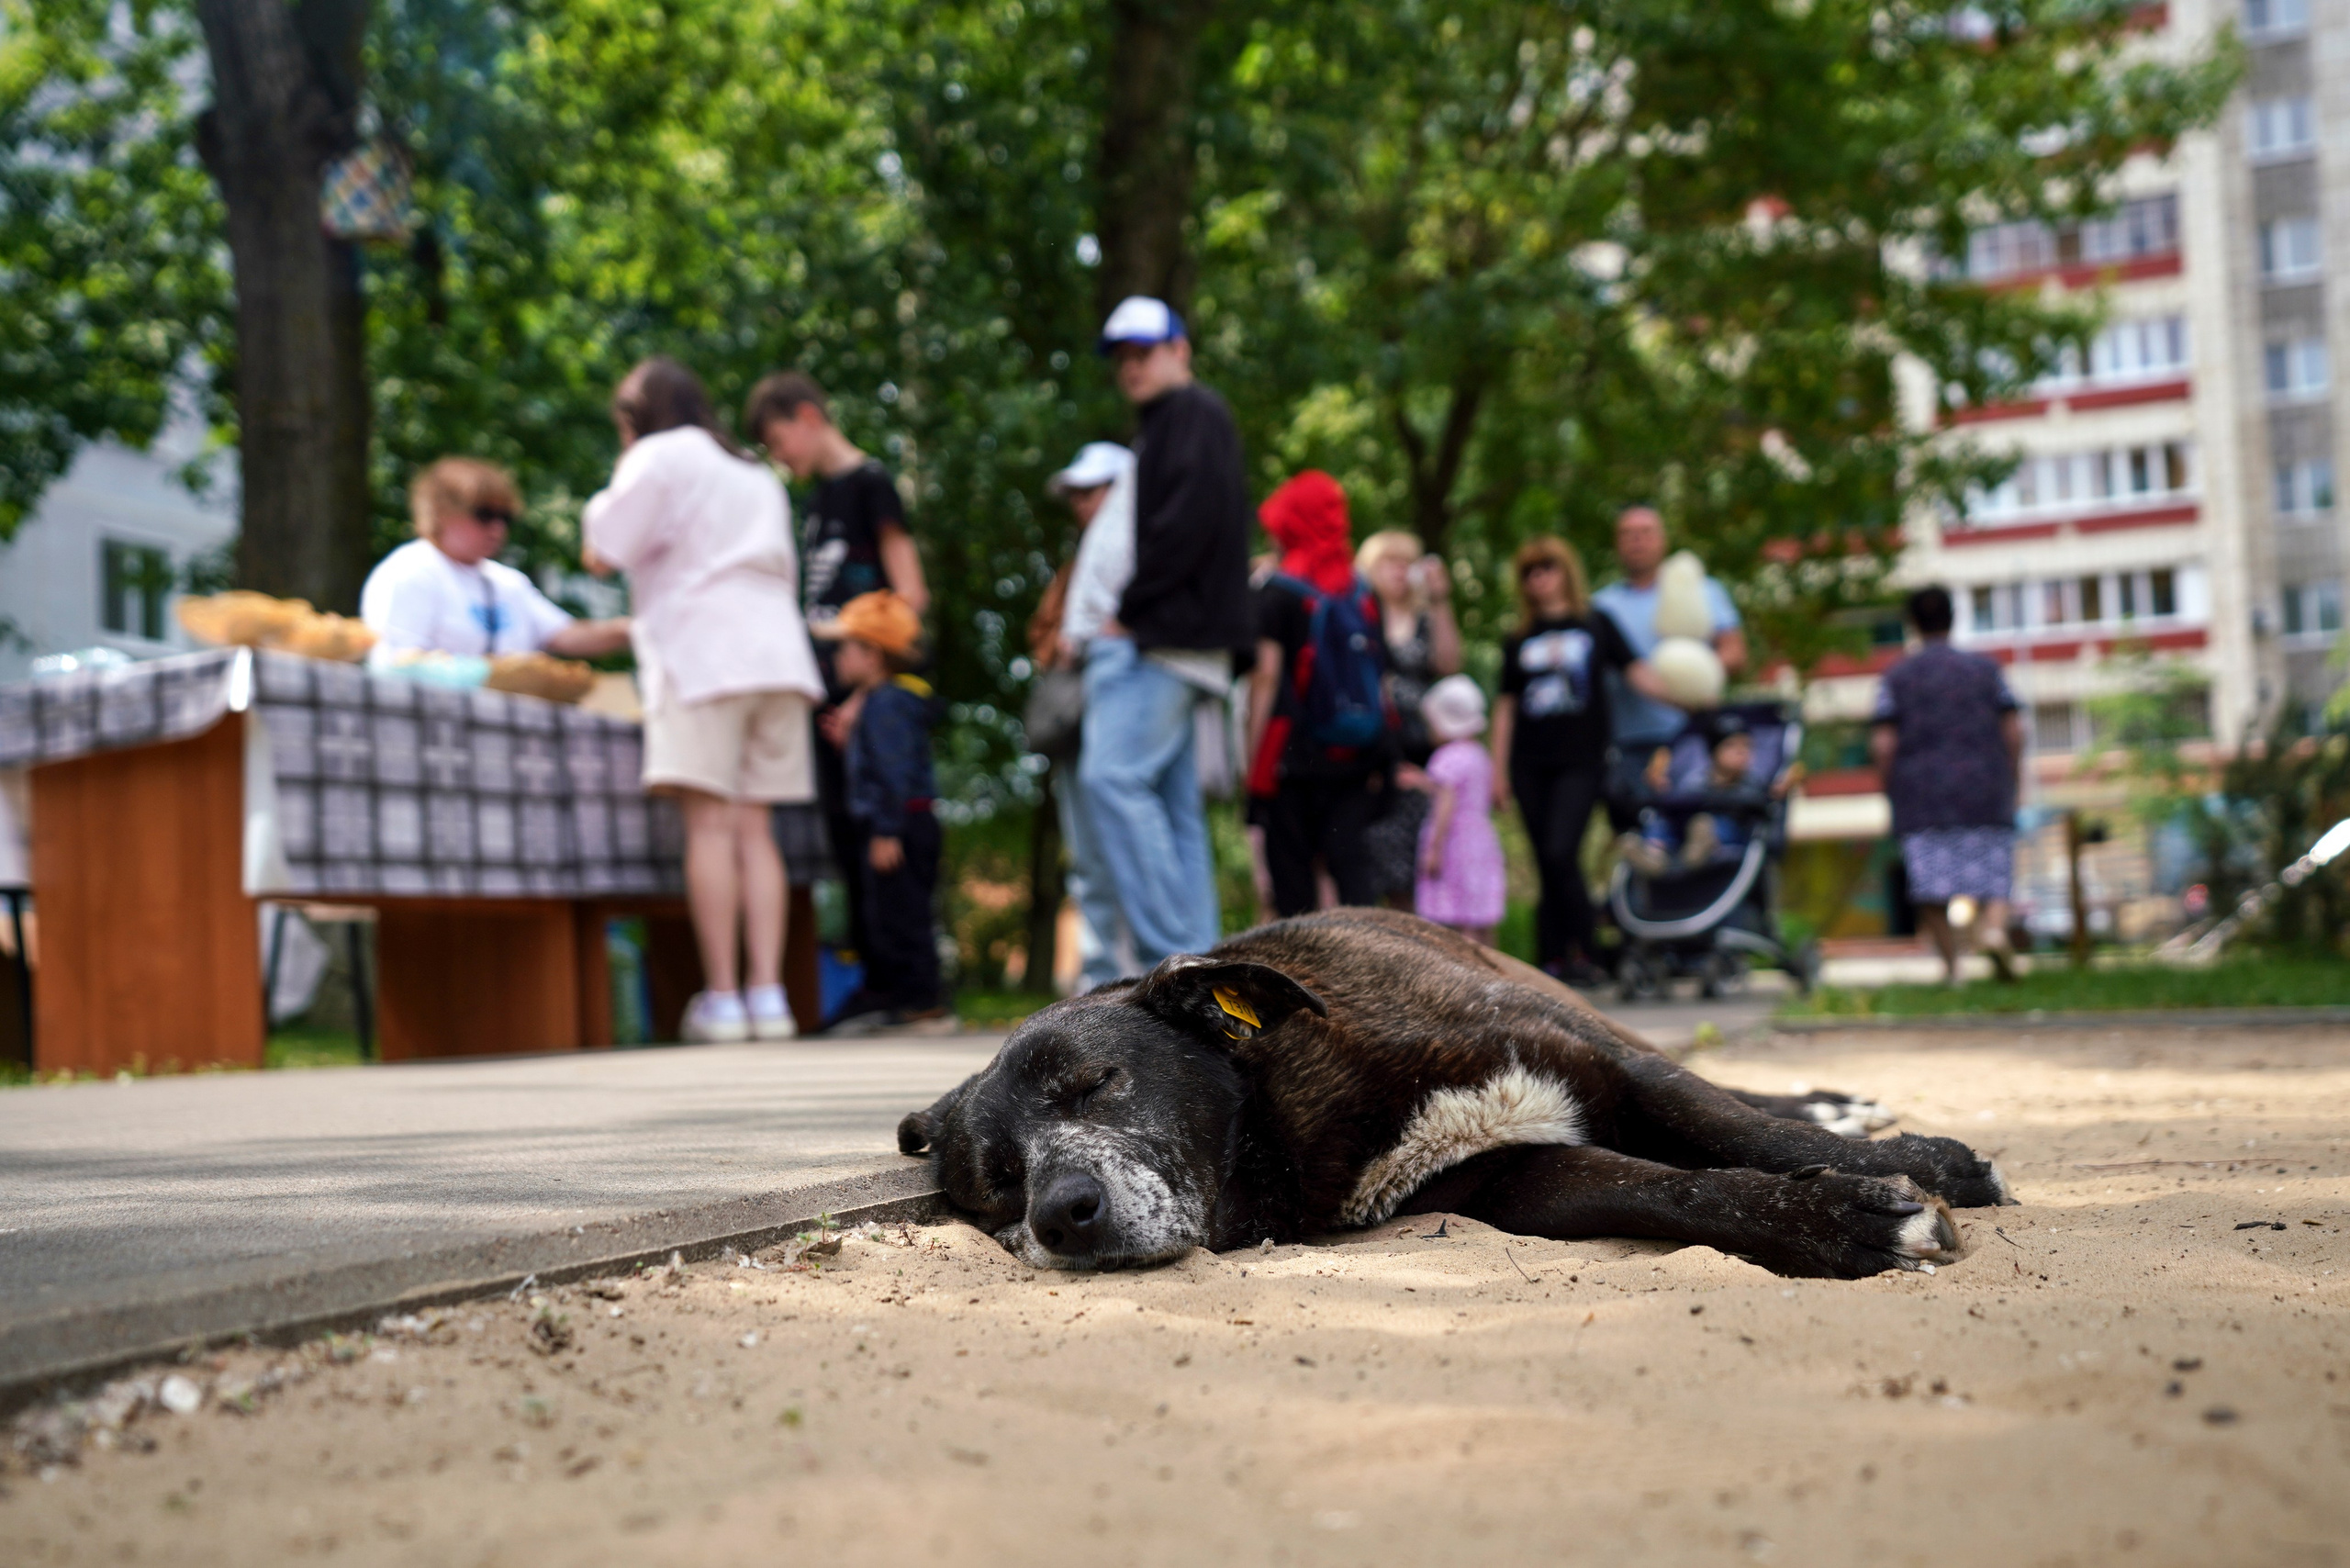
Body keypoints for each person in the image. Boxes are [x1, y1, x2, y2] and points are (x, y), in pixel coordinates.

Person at [584, 357, 825, 1043]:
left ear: (635, 415)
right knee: (758, 831)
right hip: (777, 655)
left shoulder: (656, 456)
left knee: (711, 828)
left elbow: (603, 548)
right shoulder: (754, 471)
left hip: (702, 650)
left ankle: (722, 997)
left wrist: (622, 469)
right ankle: (769, 996)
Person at [1073, 296, 1253, 965]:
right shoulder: (1169, 423)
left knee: (1110, 779)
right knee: (1174, 809)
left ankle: (1170, 960)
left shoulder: (1192, 412)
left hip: (1165, 638)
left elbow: (1189, 521)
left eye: (1143, 352)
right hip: (1181, 641)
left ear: (1180, 348)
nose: (1131, 368)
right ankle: (1205, 965)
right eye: (1122, 358)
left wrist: (1131, 607)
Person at [744, 372, 927, 979]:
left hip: (865, 694)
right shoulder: (814, 500)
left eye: (779, 440)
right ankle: (875, 977)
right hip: (822, 691)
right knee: (843, 839)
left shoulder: (870, 484)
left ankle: (906, 980)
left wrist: (867, 694)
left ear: (808, 416)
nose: (780, 457)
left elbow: (909, 595)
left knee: (882, 839)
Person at [1491, 536, 1670, 986]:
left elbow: (1639, 673)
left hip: (1582, 760)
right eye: (1530, 572)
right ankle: (1550, 960)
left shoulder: (1596, 624)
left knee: (1562, 850)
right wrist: (1498, 771)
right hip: (1529, 764)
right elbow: (1506, 706)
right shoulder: (1519, 639)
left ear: (1566, 571)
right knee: (1544, 860)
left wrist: (1692, 700)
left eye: (1547, 568)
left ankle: (1586, 952)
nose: (1540, 579)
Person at [1245, 471, 1392, 917]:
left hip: (1293, 752)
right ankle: (1367, 971)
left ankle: (1294, 980)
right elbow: (1379, 674)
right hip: (1355, 753)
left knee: (1293, 878)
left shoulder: (1278, 593)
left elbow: (1266, 678)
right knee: (1351, 866)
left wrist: (1251, 760)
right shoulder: (1363, 593)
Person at [1872, 586, 2023, 984]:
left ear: (1912, 624)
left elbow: (1884, 742)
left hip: (1921, 791)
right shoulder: (1986, 669)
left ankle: (1953, 968)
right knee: (1994, 872)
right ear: (1953, 617)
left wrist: (1888, 786)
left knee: (1931, 886)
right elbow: (2013, 729)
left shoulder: (1897, 676)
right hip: (1985, 784)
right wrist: (2014, 778)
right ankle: (1993, 930)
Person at [1028, 442, 1137, 991]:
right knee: (1090, 861)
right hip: (1078, 729)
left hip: (1128, 722)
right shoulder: (1077, 566)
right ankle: (1101, 979)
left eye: (1092, 491)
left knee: (1132, 850)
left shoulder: (1147, 549)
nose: (1081, 504)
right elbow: (1046, 638)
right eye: (1076, 494)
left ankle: (1144, 972)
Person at [815, 590, 946, 1028]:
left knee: (903, 914)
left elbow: (894, 772)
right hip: (903, 820)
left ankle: (922, 998)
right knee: (893, 911)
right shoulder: (885, 702)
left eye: (844, 647)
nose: (836, 657)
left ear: (871, 655)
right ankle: (906, 996)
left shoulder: (886, 704)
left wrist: (887, 830)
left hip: (900, 824)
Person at [361, 457, 631, 666]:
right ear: (441, 512)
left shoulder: (507, 582)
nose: (498, 528)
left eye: (505, 517)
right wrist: (482, 674)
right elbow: (397, 664)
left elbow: (567, 636)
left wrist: (638, 630)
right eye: (484, 514)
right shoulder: (409, 571)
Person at [1356, 531, 1461, 907]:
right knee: (1375, 862)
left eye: (1407, 562)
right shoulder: (1357, 616)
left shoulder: (1425, 617)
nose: (1400, 571)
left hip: (1423, 754)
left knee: (1419, 868)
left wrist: (1439, 600)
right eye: (1390, 562)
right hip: (1374, 756)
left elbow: (1449, 665)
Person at [1593, 505, 1747, 755]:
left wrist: (1698, 681)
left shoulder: (1703, 591)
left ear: (1663, 539)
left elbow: (1735, 651)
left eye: (1646, 532)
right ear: (1616, 543)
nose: (1637, 540)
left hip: (1695, 736)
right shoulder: (1600, 606)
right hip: (1625, 742)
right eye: (1627, 533)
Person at [1413, 675, 1505, 944]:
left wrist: (1434, 848)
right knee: (1478, 914)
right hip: (1481, 841)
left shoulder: (1446, 758)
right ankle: (1492, 970)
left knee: (1457, 917)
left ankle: (1463, 976)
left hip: (1454, 843)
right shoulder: (1479, 754)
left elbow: (1446, 806)